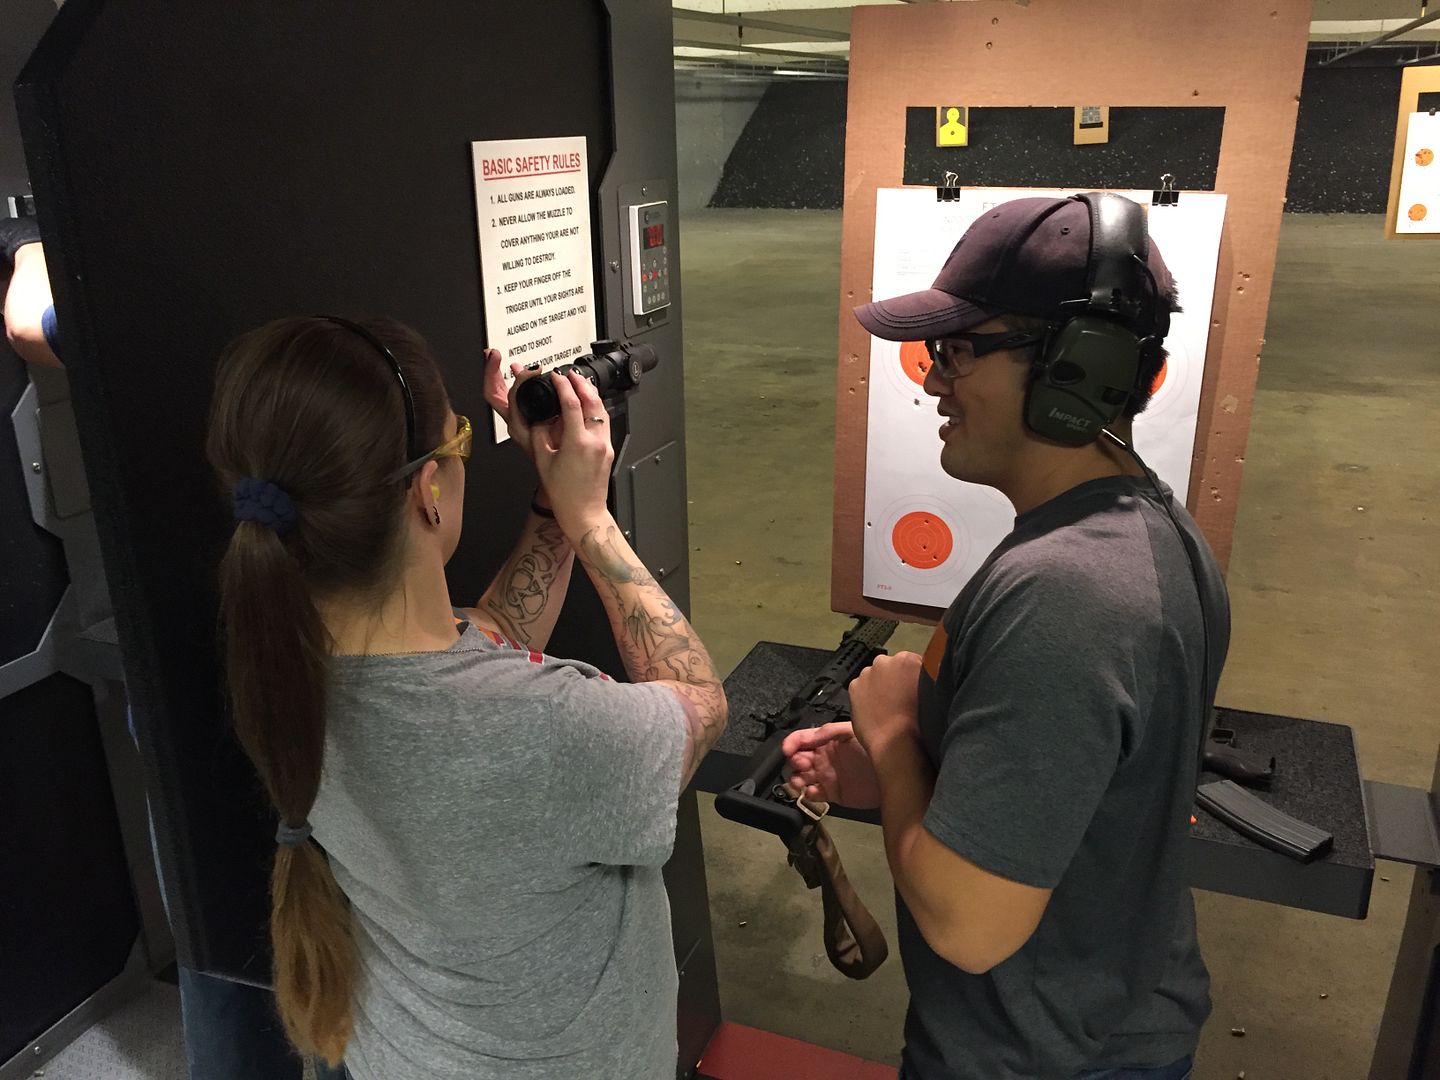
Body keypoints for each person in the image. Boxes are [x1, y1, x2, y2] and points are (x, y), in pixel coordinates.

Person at [205, 315, 728, 1079]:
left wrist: (552, 506)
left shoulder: (284, 670)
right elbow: (701, 703)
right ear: (428, 490)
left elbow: (490, 633)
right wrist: (591, 519)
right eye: (459, 441)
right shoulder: (547, 723)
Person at [784, 195, 1230, 1080]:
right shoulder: (1143, 523)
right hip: (1093, 1024)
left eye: (958, 351)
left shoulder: (1068, 594)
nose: (932, 381)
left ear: (1077, 367)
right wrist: (924, 774)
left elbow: (969, 925)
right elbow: (1078, 791)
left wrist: (896, 733)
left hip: (1035, 1056)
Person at [3, 219, 350, 1080]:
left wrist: (33, 241)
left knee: (225, 939)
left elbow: (26, 318)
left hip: (192, 676)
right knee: (348, 933)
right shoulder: (331, 333)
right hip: (334, 671)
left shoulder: (142, 306)